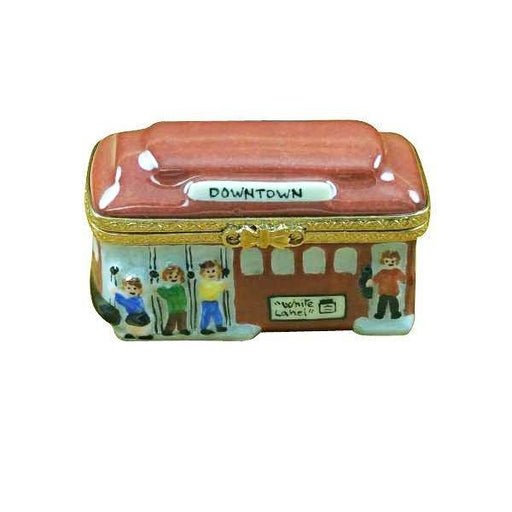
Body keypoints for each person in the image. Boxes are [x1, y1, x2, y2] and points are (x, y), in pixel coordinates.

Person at [366, 250, 406, 320]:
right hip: (383, 293)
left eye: (392, 261)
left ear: (396, 261)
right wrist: (371, 282)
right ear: (383, 261)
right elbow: (375, 279)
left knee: (394, 304)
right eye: (387, 261)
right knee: (381, 304)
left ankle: (395, 314)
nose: (390, 263)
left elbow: (403, 278)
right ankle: (380, 314)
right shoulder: (382, 272)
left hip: (393, 293)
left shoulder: (396, 271)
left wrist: (405, 280)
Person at [156, 265, 191, 336]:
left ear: (180, 277)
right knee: (172, 320)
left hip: (182, 307)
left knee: (182, 320)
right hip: (173, 308)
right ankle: (168, 330)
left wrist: (185, 304)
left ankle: (182, 329)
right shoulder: (169, 288)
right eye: (170, 277)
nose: (173, 278)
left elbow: (183, 297)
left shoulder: (180, 287)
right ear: (166, 278)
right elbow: (166, 295)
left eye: (176, 276)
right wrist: (160, 290)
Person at [198, 260, 228, 335]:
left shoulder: (215, 282)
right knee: (206, 315)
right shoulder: (204, 282)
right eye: (208, 272)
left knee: (217, 314)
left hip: (214, 302)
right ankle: (203, 328)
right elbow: (214, 288)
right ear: (203, 274)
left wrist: (222, 283)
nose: (211, 273)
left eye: (213, 271)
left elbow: (220, 287)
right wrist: (221, 285)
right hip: (206, 302)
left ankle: (219, 326)